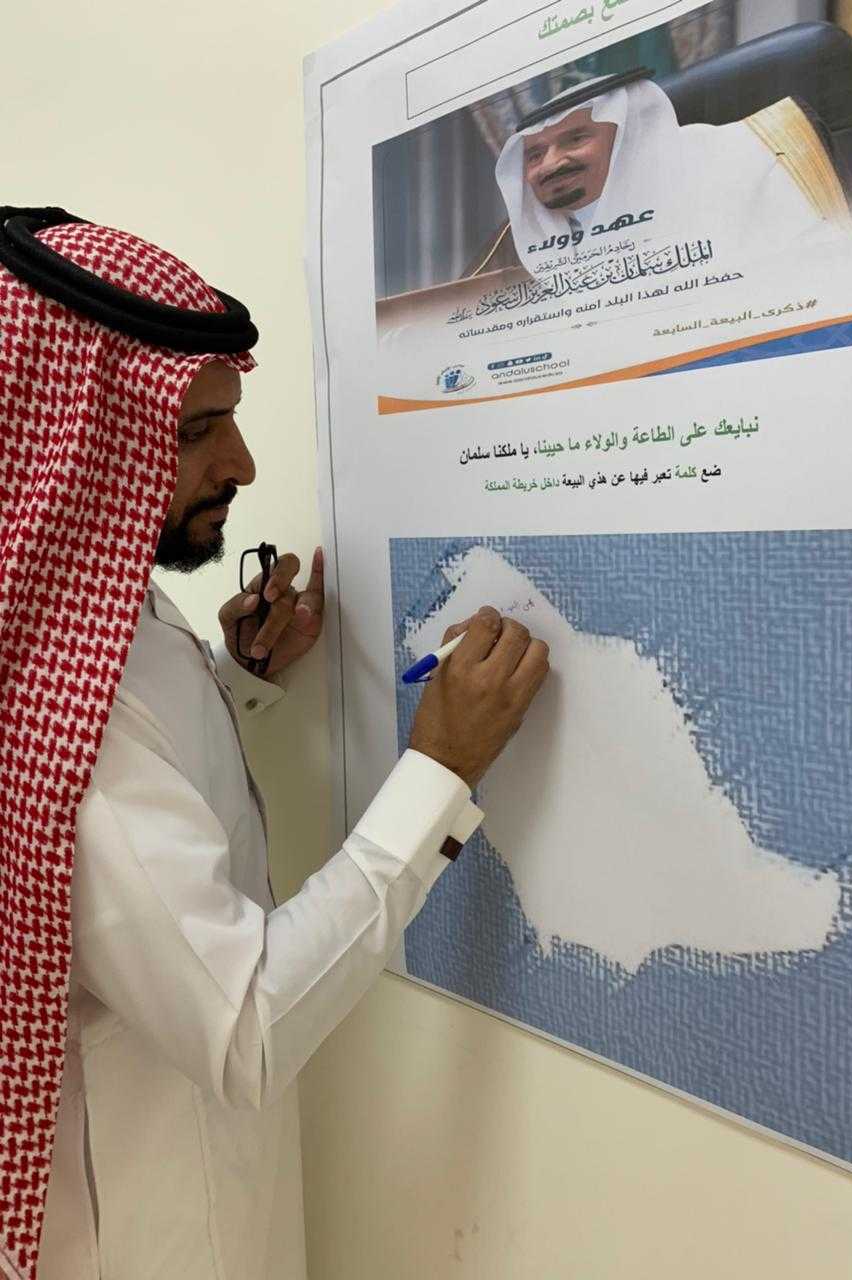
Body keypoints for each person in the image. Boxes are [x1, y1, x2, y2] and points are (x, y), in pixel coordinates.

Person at [0, 208, 549, 1280]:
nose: (243, 463)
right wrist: (438, 772)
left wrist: (239, 679)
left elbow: (151, 790)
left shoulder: (78, 601)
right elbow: (246, 1025)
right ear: (75, 441)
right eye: (195, 430)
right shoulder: (73, 713)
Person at [493, 70, 852, 278]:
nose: (551, 164)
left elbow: (827, 275)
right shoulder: (517, 242)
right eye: (535, 155)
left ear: (629, 138)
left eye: (575, 139)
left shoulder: (743, 162)